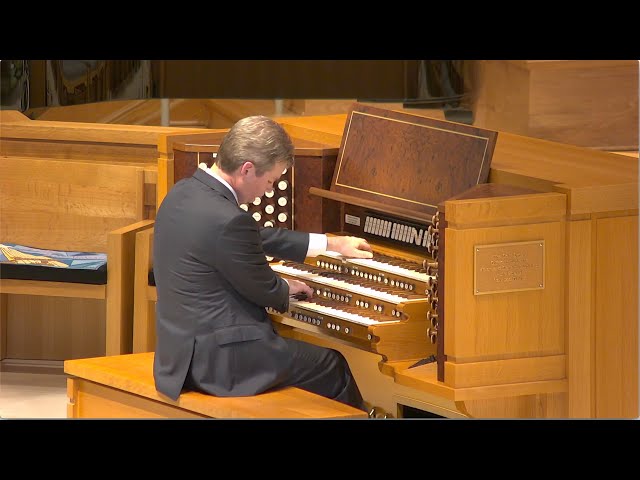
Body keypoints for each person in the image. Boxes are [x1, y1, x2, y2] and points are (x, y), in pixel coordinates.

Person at [152, 115, 373, 412]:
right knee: (333, 366)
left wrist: (332, 243)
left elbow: (252, 236)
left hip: (177, 355)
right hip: (222, 363)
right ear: (247, 169)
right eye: (270, 180)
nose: (268, 191)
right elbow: (266, 291)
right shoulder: (230, 220)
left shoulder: (183, 192)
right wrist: (287, 287)